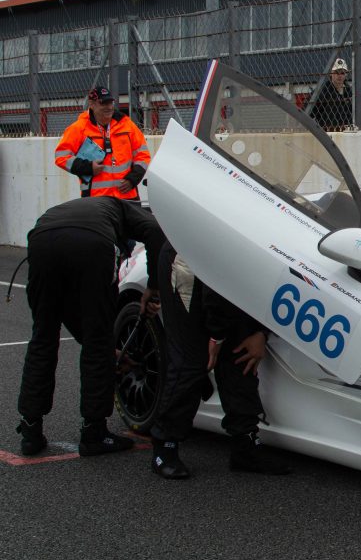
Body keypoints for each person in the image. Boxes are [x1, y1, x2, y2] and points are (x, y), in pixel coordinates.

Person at [15, 196, 165, 456]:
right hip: (92, 243)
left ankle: (30, 430)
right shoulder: (128, 210)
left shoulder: (88, 207)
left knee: (43, 336)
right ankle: (94, 433)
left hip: (41, 240)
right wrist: (154, 286)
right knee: (99, 339)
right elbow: (156, 233)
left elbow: (69, 313)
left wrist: (109, 352)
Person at [149, 243, 290, 479]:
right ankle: (165, 444)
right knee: (192, 360)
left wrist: (260, 333)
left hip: (234, 266)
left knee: (242, 352)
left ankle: (245, 444)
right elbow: (217, 294)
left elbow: (271, 288)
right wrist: (217, 335)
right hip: (191, 261)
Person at [54, 86, 151, 200]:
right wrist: (88, 167)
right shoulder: (78, 128)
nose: (109, 107)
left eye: (110, 103)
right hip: (96, 199)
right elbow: (61, 157)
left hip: (128, 196)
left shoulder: (127, 125)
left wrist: (132, 179)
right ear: (91, 104)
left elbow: (143, 155)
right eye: (103, 103)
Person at [310, 58, 353, 131]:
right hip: (327, 133)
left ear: (346, 75)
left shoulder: (349, 91)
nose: (339, 76)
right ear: (331, 73)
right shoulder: (323, 90)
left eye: (342, 73)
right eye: (336, 72)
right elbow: (308, 111)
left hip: (346, 133)